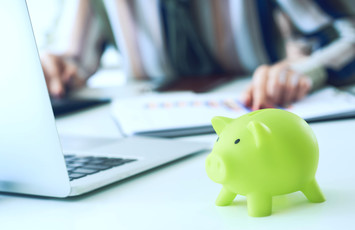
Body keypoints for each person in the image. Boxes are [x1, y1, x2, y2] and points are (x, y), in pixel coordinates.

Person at [41, 0, 355, 110]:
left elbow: (347, 35)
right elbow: (69, 59)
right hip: (148, 135)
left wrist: (302, 70)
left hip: (256, 117)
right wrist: (52, 68)